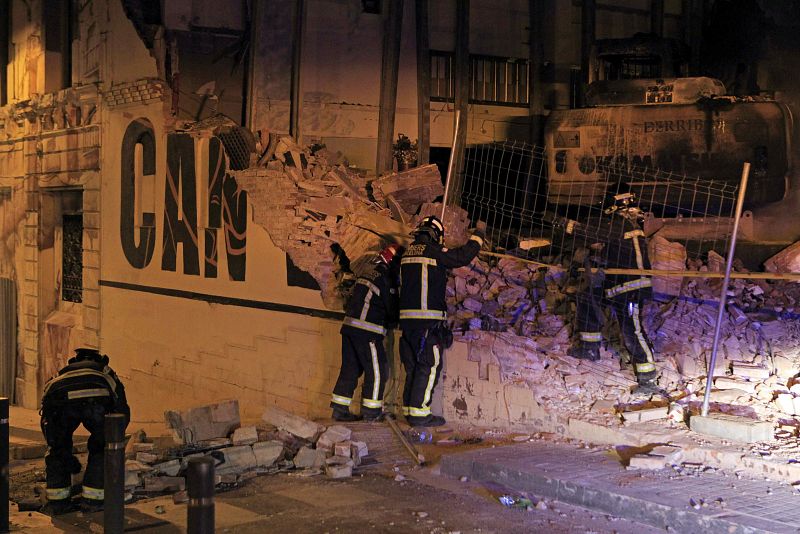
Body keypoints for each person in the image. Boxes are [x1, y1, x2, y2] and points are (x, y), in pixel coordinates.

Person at [562, 192, 659, 392]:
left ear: (612, 207)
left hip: (631, 288)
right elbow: (607, 252)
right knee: (588, 299)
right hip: (618, 287)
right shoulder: (626, 227)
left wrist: (563, 223)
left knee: (632, 330)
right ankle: (589, 349)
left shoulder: (620, 224)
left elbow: (589, 232)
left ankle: (647, 378)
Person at [399, 215, 485, 427]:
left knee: (413, 369)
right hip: (427, 323)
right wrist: (478, 236)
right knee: (428, 367)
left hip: (407, 324)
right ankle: (420, 415)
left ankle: (410, 411)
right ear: (435, 235)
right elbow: (460, 257)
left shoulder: (407, 253)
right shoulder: (433, 252)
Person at [40, 348, 130, 514]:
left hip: (60, 402)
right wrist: (112, 437)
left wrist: (56, 445)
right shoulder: (106, 372)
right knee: (101, 448)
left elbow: (47, 412)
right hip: (95, 403)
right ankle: (92, 501)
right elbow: (122, 408)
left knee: (57, 451)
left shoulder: (61, 374)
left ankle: (57, 504)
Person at [331, 243, 401, 422]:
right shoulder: (385, 279)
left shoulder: (367, 273)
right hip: (367, 332)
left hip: (349, 329)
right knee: (377, 372)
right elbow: (392, 310)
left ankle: (339, 410)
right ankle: (371, 413)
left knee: (350, 369)